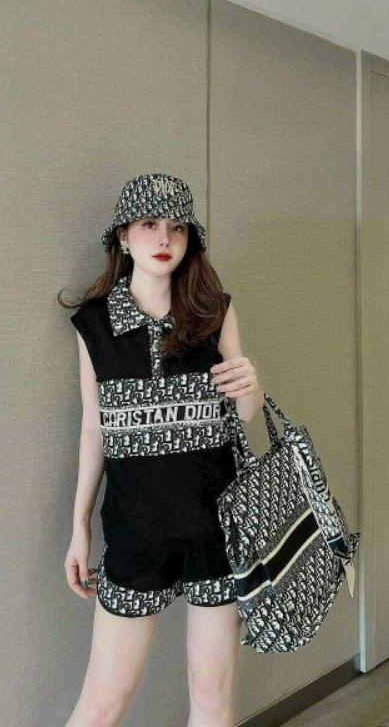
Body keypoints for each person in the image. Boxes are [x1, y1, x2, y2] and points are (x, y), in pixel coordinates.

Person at [58, 173, 262, 727]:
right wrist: (79, 526)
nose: (164, 237)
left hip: (216, 529)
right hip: (135, 532)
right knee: (102, 705)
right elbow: (94, 430)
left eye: (177, 227)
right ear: (123, 237)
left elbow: (244, 416)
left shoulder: (214, 311)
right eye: (149, 224)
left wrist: (251, 385)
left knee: (213, 699)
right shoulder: (95, 324)